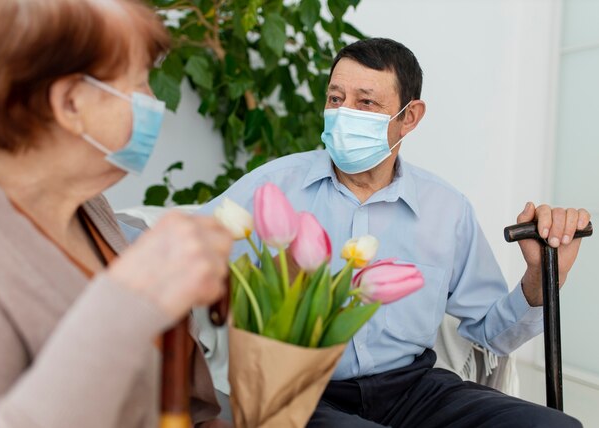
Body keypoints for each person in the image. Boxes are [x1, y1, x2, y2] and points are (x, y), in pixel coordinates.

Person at [198, 38, 590, 427]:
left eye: (365, 103)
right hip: (302, 392)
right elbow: (179, 247)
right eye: (335, 99)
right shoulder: (273, 187)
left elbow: (491, 334)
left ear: (410, 116)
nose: (343, 113)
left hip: (414, 388)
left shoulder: (446, 209)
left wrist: (541, 277)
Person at [0, 1, 232, 427]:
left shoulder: (88, 206)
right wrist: (128, 299)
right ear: (71, 103)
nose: (155, 103)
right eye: (141, 82)